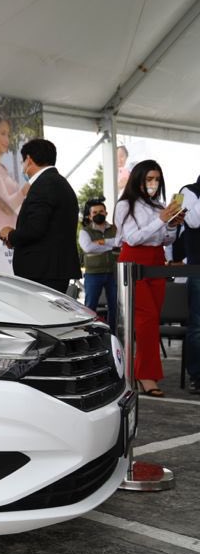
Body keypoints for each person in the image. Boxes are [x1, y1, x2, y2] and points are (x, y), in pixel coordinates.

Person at [114, 160, 187, 397]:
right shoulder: (125, 204)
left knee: (152, 319)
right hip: (135, 260)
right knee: (146, 320)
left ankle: (143, 371)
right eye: (149, 179)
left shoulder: (159, 205)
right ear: (138, 179)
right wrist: (161, 219)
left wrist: (172, 224)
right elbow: (132, 238)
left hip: (156, 261)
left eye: (157, 179)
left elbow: (165, 240)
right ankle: (146, 375)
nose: (153, 184)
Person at [0, 139, 81, 292]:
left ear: (29, 159)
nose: (23, 166)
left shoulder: (43, 185)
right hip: (52, 269)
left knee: (41, 315)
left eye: (23, 161)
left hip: (42, 272)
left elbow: (35, 229)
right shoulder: (58, 182)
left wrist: (10, 235)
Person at [175, 175, 200, 394]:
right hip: (198, 268)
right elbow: (194, 220)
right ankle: (197, 375)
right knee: (198, 326)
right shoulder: (189, 191)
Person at [0, 110, 29, 235]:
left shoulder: (2, 167)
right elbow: (6, 206)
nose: (7, 140)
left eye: (8, 135)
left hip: (11, 232)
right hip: (1, 235)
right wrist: (24, 190)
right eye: (3, 133)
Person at [78, 198, 119, 324]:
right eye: (94, 213)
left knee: (116, 306)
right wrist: (111, 246)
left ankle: (114, 334)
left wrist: (102, 243)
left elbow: (121, 243)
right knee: (90, 307)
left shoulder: (115, 229)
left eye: (101, 211)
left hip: (114, 272)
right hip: (93, 273)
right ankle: (90, 334)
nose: (98, 214)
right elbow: (88, 247)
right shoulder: (85, 231)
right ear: (90, 216)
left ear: (106, 213)